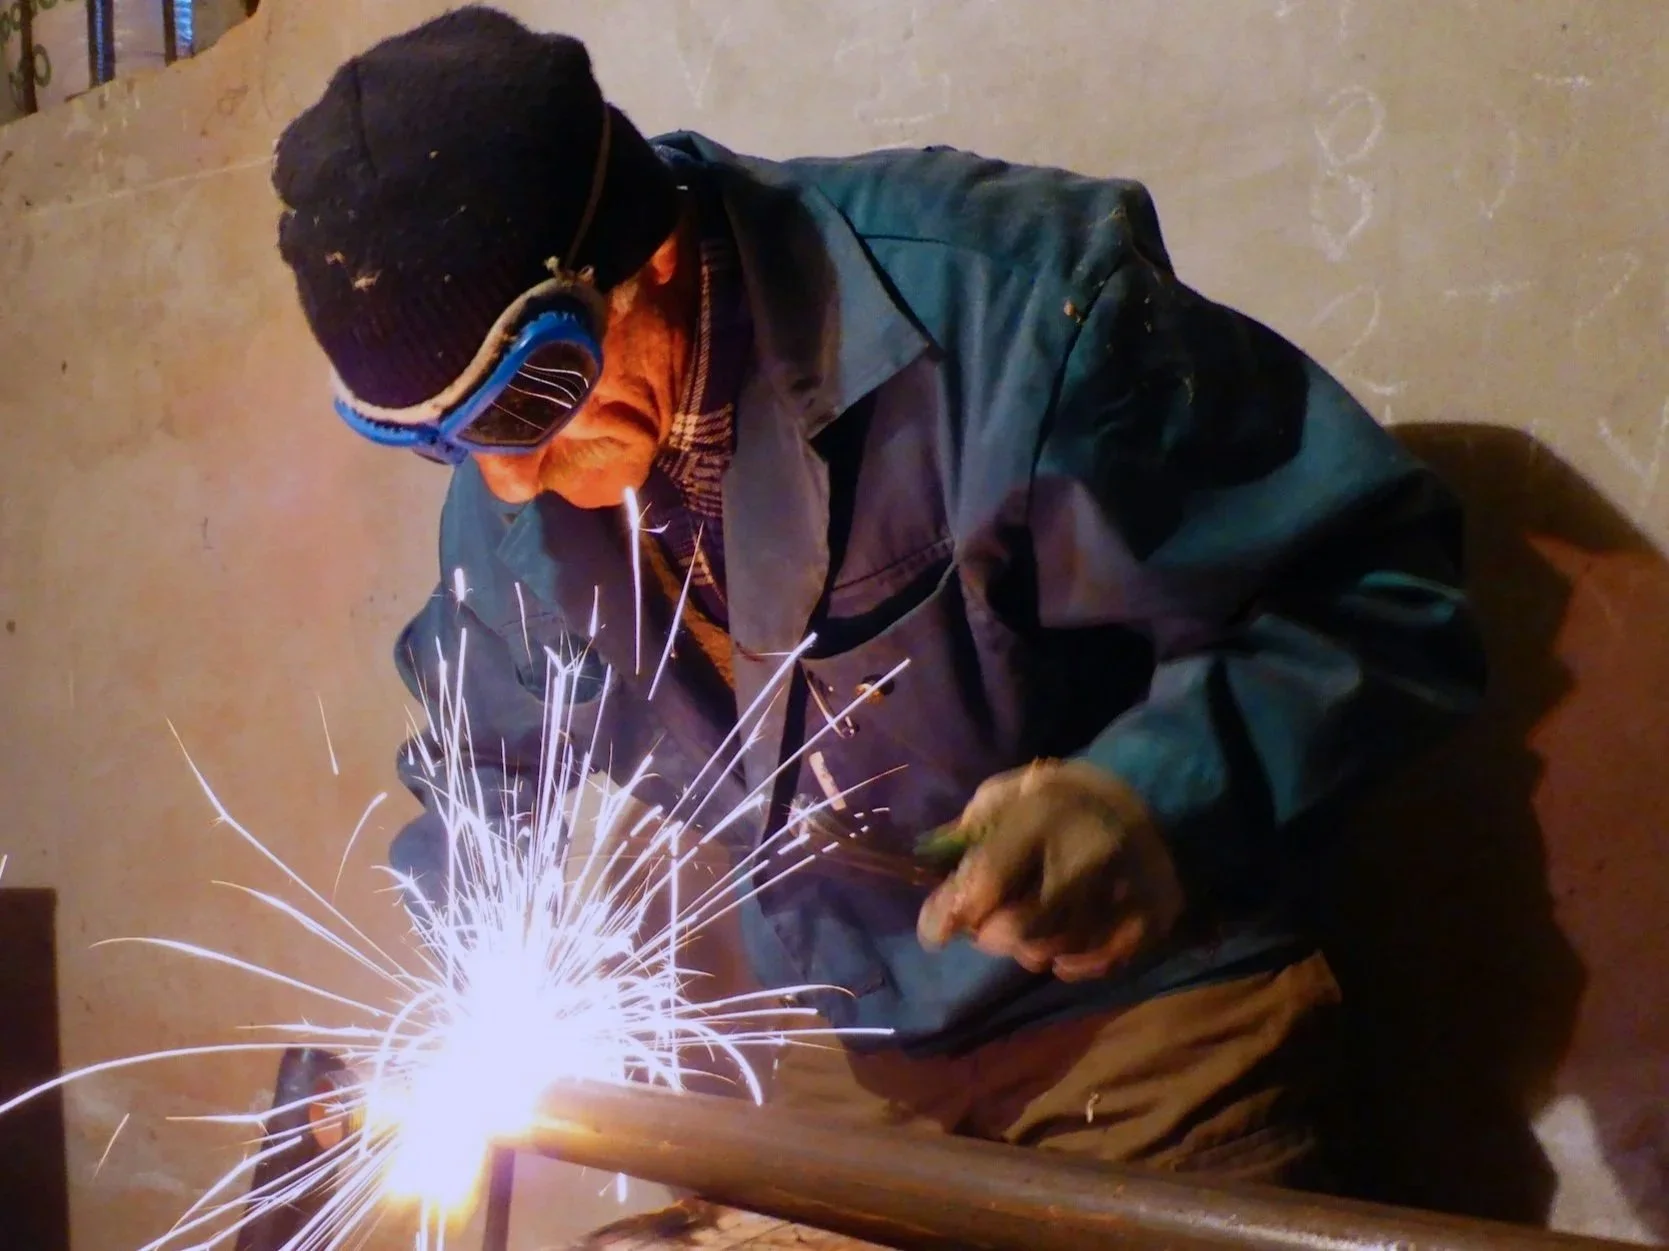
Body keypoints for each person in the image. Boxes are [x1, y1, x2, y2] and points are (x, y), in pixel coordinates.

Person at [271, 6, 1485, 1189]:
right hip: (849, 1053)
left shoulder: (1005, 313)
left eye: (527, 405)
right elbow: (483, 768)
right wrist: (476, 971)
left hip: (1148, 1028)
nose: (505, 475)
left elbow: (1376, 590)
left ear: (646, 257)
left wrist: (1155, 797)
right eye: (440, 440)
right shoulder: (518, 475)